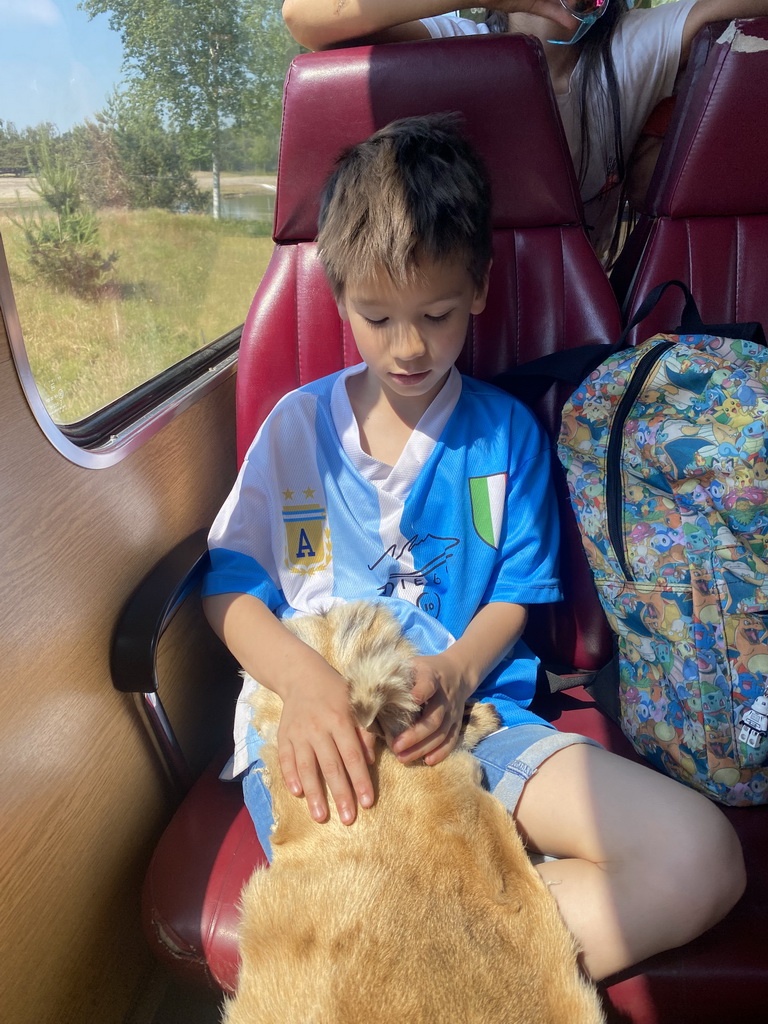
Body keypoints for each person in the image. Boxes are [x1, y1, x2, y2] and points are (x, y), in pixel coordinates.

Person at [202, 114, 745, 981]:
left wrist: (455, 675)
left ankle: (423, 973)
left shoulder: (504, 439)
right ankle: (443, 967)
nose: (409, 345)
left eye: (437, 313)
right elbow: (227, 587)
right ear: (337, 296)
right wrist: (305, 686)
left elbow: (517, 592)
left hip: (477, 718)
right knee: (375, 907)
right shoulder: (295, 429)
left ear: (481, 290)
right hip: (326, 733)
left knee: (700, 859)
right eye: (376, 317)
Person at [281, 0, 768, 262]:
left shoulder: (636, 44)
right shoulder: (455, 40)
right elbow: (306, 16)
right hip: (453, 302)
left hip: (580, 303)